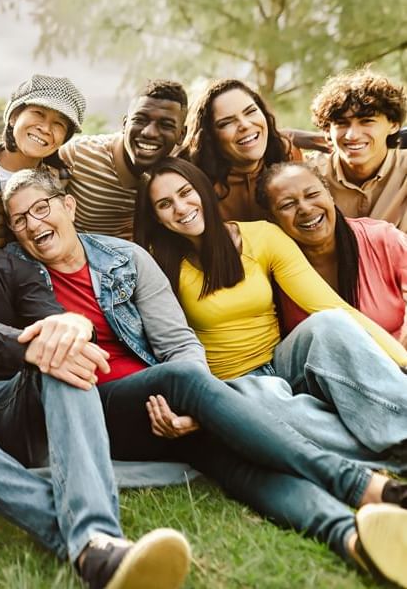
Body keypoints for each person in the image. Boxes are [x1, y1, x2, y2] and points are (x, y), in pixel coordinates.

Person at [3, 168, 407, 585]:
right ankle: (365, 485)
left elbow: (178, 342)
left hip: (164, 403)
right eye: (19, 220)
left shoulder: (124, 258)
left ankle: (352, 539)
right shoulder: (14, 274)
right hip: (95, 406)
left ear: (68, 206)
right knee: (180, 379)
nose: (34, 224)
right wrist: (188, 390)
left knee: (238, 466)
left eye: (41, 208)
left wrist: (191, 411)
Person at [0, 139, 192, 589]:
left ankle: (98, 538)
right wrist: (27, 346)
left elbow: (54, 323)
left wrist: (69, 330)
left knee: (66, 360)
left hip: (16, 407)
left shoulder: (17, 269)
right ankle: (77, 536)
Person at [135, 157, 407, 459]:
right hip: (232, 386)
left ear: (202, 189)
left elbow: (331, 305)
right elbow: (164, 346)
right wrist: (200, 405)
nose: (181, 208)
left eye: (186, 193)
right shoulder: (156, 263)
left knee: (330, 322)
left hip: (283, 363)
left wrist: (403, 362)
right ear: (157, 218)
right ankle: (388, 451)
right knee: (271, 403)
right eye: (165, 204)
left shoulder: (262, 236)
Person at [258, 161, 407, 342]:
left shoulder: (383, 239)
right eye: (287, 204)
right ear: (272, 218)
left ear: (329, 194)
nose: (305, 208)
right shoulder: (267, 269)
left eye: (312, 194)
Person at [0, 74, 86, 249]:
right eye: (38, 113)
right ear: (14, 117)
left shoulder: (61, 179)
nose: (45, 128)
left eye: (59, 124)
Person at [59, 79, 188, 241]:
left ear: (181, 135)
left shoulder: (180, 177)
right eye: (140, 120)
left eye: (166, 124)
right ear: (125, 124)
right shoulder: (78, 154)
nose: (150, 133)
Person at [185, 78, 299, 222]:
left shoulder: (289, 155)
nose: (245, 125)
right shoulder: (193, 184)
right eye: (227, 122)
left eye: (251, 111)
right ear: (209, 136)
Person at [310, 69, 407, 233]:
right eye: (341, 123)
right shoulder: (311, 175)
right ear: (327, 129)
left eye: (367, 121)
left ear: (394, 125)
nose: (352, 135)